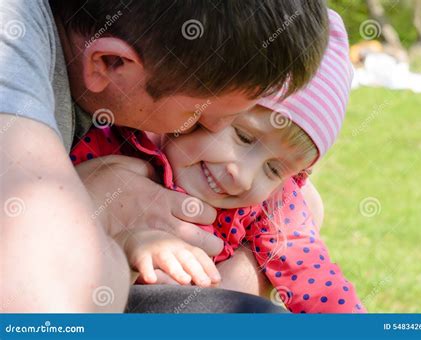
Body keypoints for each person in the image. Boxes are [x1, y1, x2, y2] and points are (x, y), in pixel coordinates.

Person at [0, 0, 329, 312]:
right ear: (110, 62)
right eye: (199, 112)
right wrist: (98, 210)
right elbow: (46, 307)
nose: (214, 127)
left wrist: (242, 274)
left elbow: (307, 205)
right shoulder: (11, 54)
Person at [69, 10, 365, 313]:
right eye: (244, 138)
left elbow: (318, 283)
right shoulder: (112, 147)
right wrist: (128, 243)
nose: (243, 176)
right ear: (212, 109)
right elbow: (55, 241)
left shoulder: (273, 205)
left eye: (274, 169)